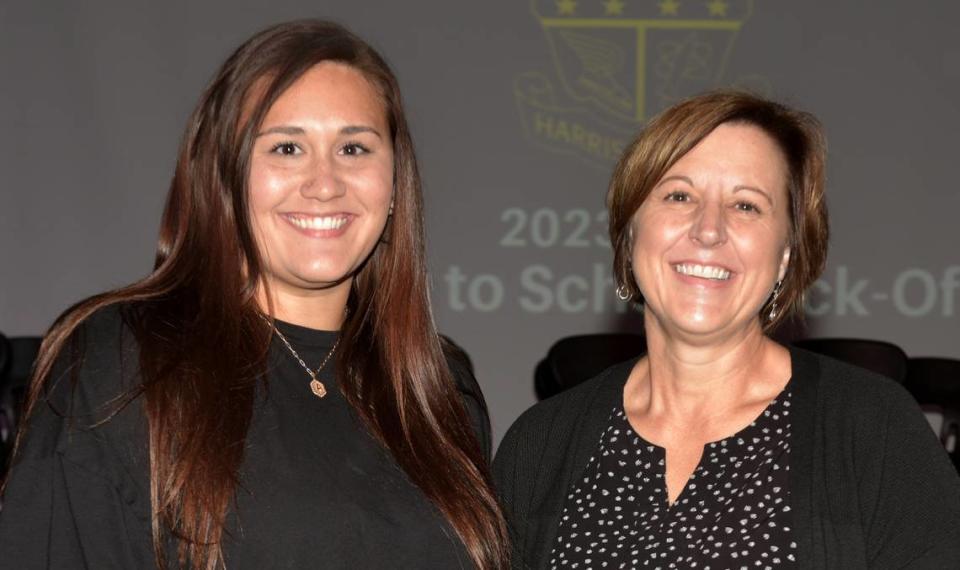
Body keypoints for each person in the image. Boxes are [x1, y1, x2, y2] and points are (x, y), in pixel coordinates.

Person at [0, 19, 509, 570]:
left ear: (393, 186)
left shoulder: (436, 385)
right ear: (223, 177)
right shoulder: (122, 361)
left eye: (355, 148)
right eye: (287, 147)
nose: (324, 183)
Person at [493, 90, 960, 569]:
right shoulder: (540, 445)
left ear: (785, 256)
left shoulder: (874, 430)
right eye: (679, 195)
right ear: (630, 233)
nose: (708, 229)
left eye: (746, 206)